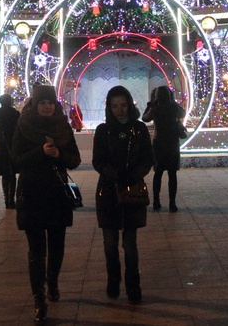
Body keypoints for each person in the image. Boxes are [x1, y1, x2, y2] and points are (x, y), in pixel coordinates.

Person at [11, 84, 81, 324]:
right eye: (43, 103)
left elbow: (75, 159)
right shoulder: (23, 125)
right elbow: (16, 161)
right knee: (37, 249)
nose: (48, 106)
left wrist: (60, 155)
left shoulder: (62, 126)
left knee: (57, 244)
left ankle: (52, 281)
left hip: (56, 194)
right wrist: (40, 152)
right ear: (35, 104)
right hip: (32, 194)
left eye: (50, 102)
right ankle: (39, 298)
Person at [93, 85, 153, 305]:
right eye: (115, 106)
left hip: (132, 192)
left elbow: (148, 158)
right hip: (108, 191)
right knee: (109, 242)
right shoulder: (102, 130)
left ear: (129, 105)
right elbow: (98, 161)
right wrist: (115, 175)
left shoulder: (139, 129)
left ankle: (133, 284)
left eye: (123, 105)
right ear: (109, 107)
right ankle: (113, 280)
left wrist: (134, 175)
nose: (119, 110)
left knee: (130, 242)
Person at [142, 85, 185, 212]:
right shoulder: (173, 107)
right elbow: (182, 113)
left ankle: (156, 201)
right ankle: (172, 203)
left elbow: (145, 118)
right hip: (172, 143)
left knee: (158, 174)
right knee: (172, 175)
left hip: (159, 143)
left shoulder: (156, 108)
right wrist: (173, 103)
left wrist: (151, 104)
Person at [0, 93, 20, 209]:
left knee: (5, 174)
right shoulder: (15, 113)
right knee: (12, 173)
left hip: (3, 145)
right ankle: (11, 199)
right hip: (13, 144)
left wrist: (0, 136)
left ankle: (6, 199)